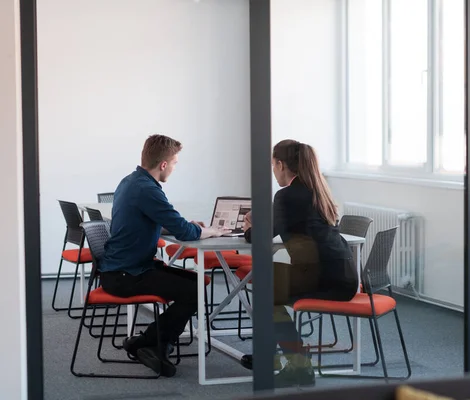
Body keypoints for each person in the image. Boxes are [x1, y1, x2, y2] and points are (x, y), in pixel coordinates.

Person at [99, 134, 229, 377]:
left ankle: (145, 342)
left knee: (193, 283)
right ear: (163, 165)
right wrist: (206, 230)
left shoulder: (130, 182)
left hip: (123, 268)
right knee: (194, 290)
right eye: (175, 163)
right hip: (126, 275)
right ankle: (156, 345)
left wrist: (187, 226)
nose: (175, 167)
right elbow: (185, 232)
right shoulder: (147, 189)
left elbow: (159, 221)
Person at [241, 139, 358, 387]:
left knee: (266, 294)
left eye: (273, 165)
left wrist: (249, 227)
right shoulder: (318, 190)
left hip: (325, 276)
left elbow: (262, 237)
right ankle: (273, 356)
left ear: (281, 164)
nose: (273, 172)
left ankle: (298, 365)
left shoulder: (287, 196)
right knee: (271, 286)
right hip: (344, 274)